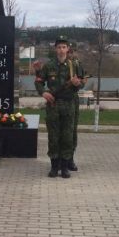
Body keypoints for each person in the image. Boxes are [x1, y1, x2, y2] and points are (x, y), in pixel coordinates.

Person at [34, 36, 83, 178]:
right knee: (53, 136)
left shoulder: (74, 65)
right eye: (59, 47)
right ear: (55, 49)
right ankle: (54, 166)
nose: (61, 50)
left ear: (68, 49)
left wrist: (77, 84)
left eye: (64, 47)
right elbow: (39, 81)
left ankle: (65, 166)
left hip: (69, 104)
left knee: (67, 136)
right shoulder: (49, 66)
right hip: (54, 104)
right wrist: (43, 92)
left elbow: (82, 81)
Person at [66, 47, 86, 172]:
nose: (71, 54)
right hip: (59, 100)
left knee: (72, 131)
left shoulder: (78, 65)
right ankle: (59, 160)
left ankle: (70, 159)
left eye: (73, 52)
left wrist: (79, 83)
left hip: (73, 100)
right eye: (69, 52)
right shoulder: (57, 64)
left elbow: (83, 80)